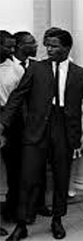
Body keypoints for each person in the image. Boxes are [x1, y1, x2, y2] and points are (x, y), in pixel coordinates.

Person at [0, 28, 83, 241]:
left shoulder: (79, 73)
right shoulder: (36, 69)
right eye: (47, 44)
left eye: (54, 45)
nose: (48, 49)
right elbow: (17, 97)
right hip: (37, 129)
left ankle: (57, 220)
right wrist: (2, 123)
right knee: (27, 179)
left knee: (61, 178)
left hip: (65, 130)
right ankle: (21, 225)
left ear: (66, 48)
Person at [12, 31, 53, 223]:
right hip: (14, 124)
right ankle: (17, 208)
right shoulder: (8, 66)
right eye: (32, 42)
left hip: (37, 125)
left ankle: (39, 204)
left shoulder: (39, 66)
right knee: (17, 168)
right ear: (19, 46)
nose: (37, 45)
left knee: (40, 166)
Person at [0, 30, 24, 225]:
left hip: (13, 121)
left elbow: (23, 99)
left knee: (15, 169)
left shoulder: (16, 69)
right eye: (7, 46)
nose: (11, 50)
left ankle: (11, 210)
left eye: (13, 46)